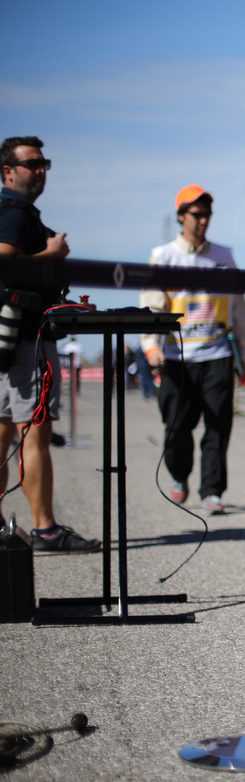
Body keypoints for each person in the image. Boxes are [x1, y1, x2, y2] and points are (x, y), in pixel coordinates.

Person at [0, 136, 99, 550]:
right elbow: (3, 260)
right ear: (8, 171)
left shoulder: (13, 212)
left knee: (4, 432)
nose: (40, 171)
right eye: (31, 164)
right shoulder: (16, 213)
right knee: (33, 434)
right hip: (24, 340)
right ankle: (45, 529)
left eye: (44, 164)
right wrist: (52, 255)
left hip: (10, 338)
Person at [140, 185, 245, 516]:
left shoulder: (224, 256)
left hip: (217, 354)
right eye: (196, 214)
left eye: (207, 215)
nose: (203, 221)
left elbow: (238, 308)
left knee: (218, 426)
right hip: (176, 357)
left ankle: (212, 491)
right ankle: (179, 475)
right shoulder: (164, 256)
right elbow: (152, 306)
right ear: (181, 217)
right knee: (176, 426)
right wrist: (151, 348)